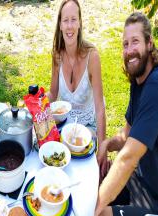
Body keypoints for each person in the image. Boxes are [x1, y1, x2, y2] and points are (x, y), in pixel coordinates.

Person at [95, 12, 158, 216]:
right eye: (125, 44)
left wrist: (94, 207)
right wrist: (106, 144)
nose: (129, 50)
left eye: (135, 42)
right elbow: (127, 135)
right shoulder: (139, 81)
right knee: (89, 187)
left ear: (150, 44)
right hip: (138, 185)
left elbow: (128, 158)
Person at [48, 0, 106, 147]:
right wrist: (37, 101)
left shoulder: (92, 57)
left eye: (73, 20)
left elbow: (100, 107)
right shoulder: (57, 55)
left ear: (80, 23)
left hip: (88, 126)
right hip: (64, 124)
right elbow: (53, 95)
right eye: (65, 20)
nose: (69, 26)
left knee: (78, 151)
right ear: (60, 25)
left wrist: (103, 148)